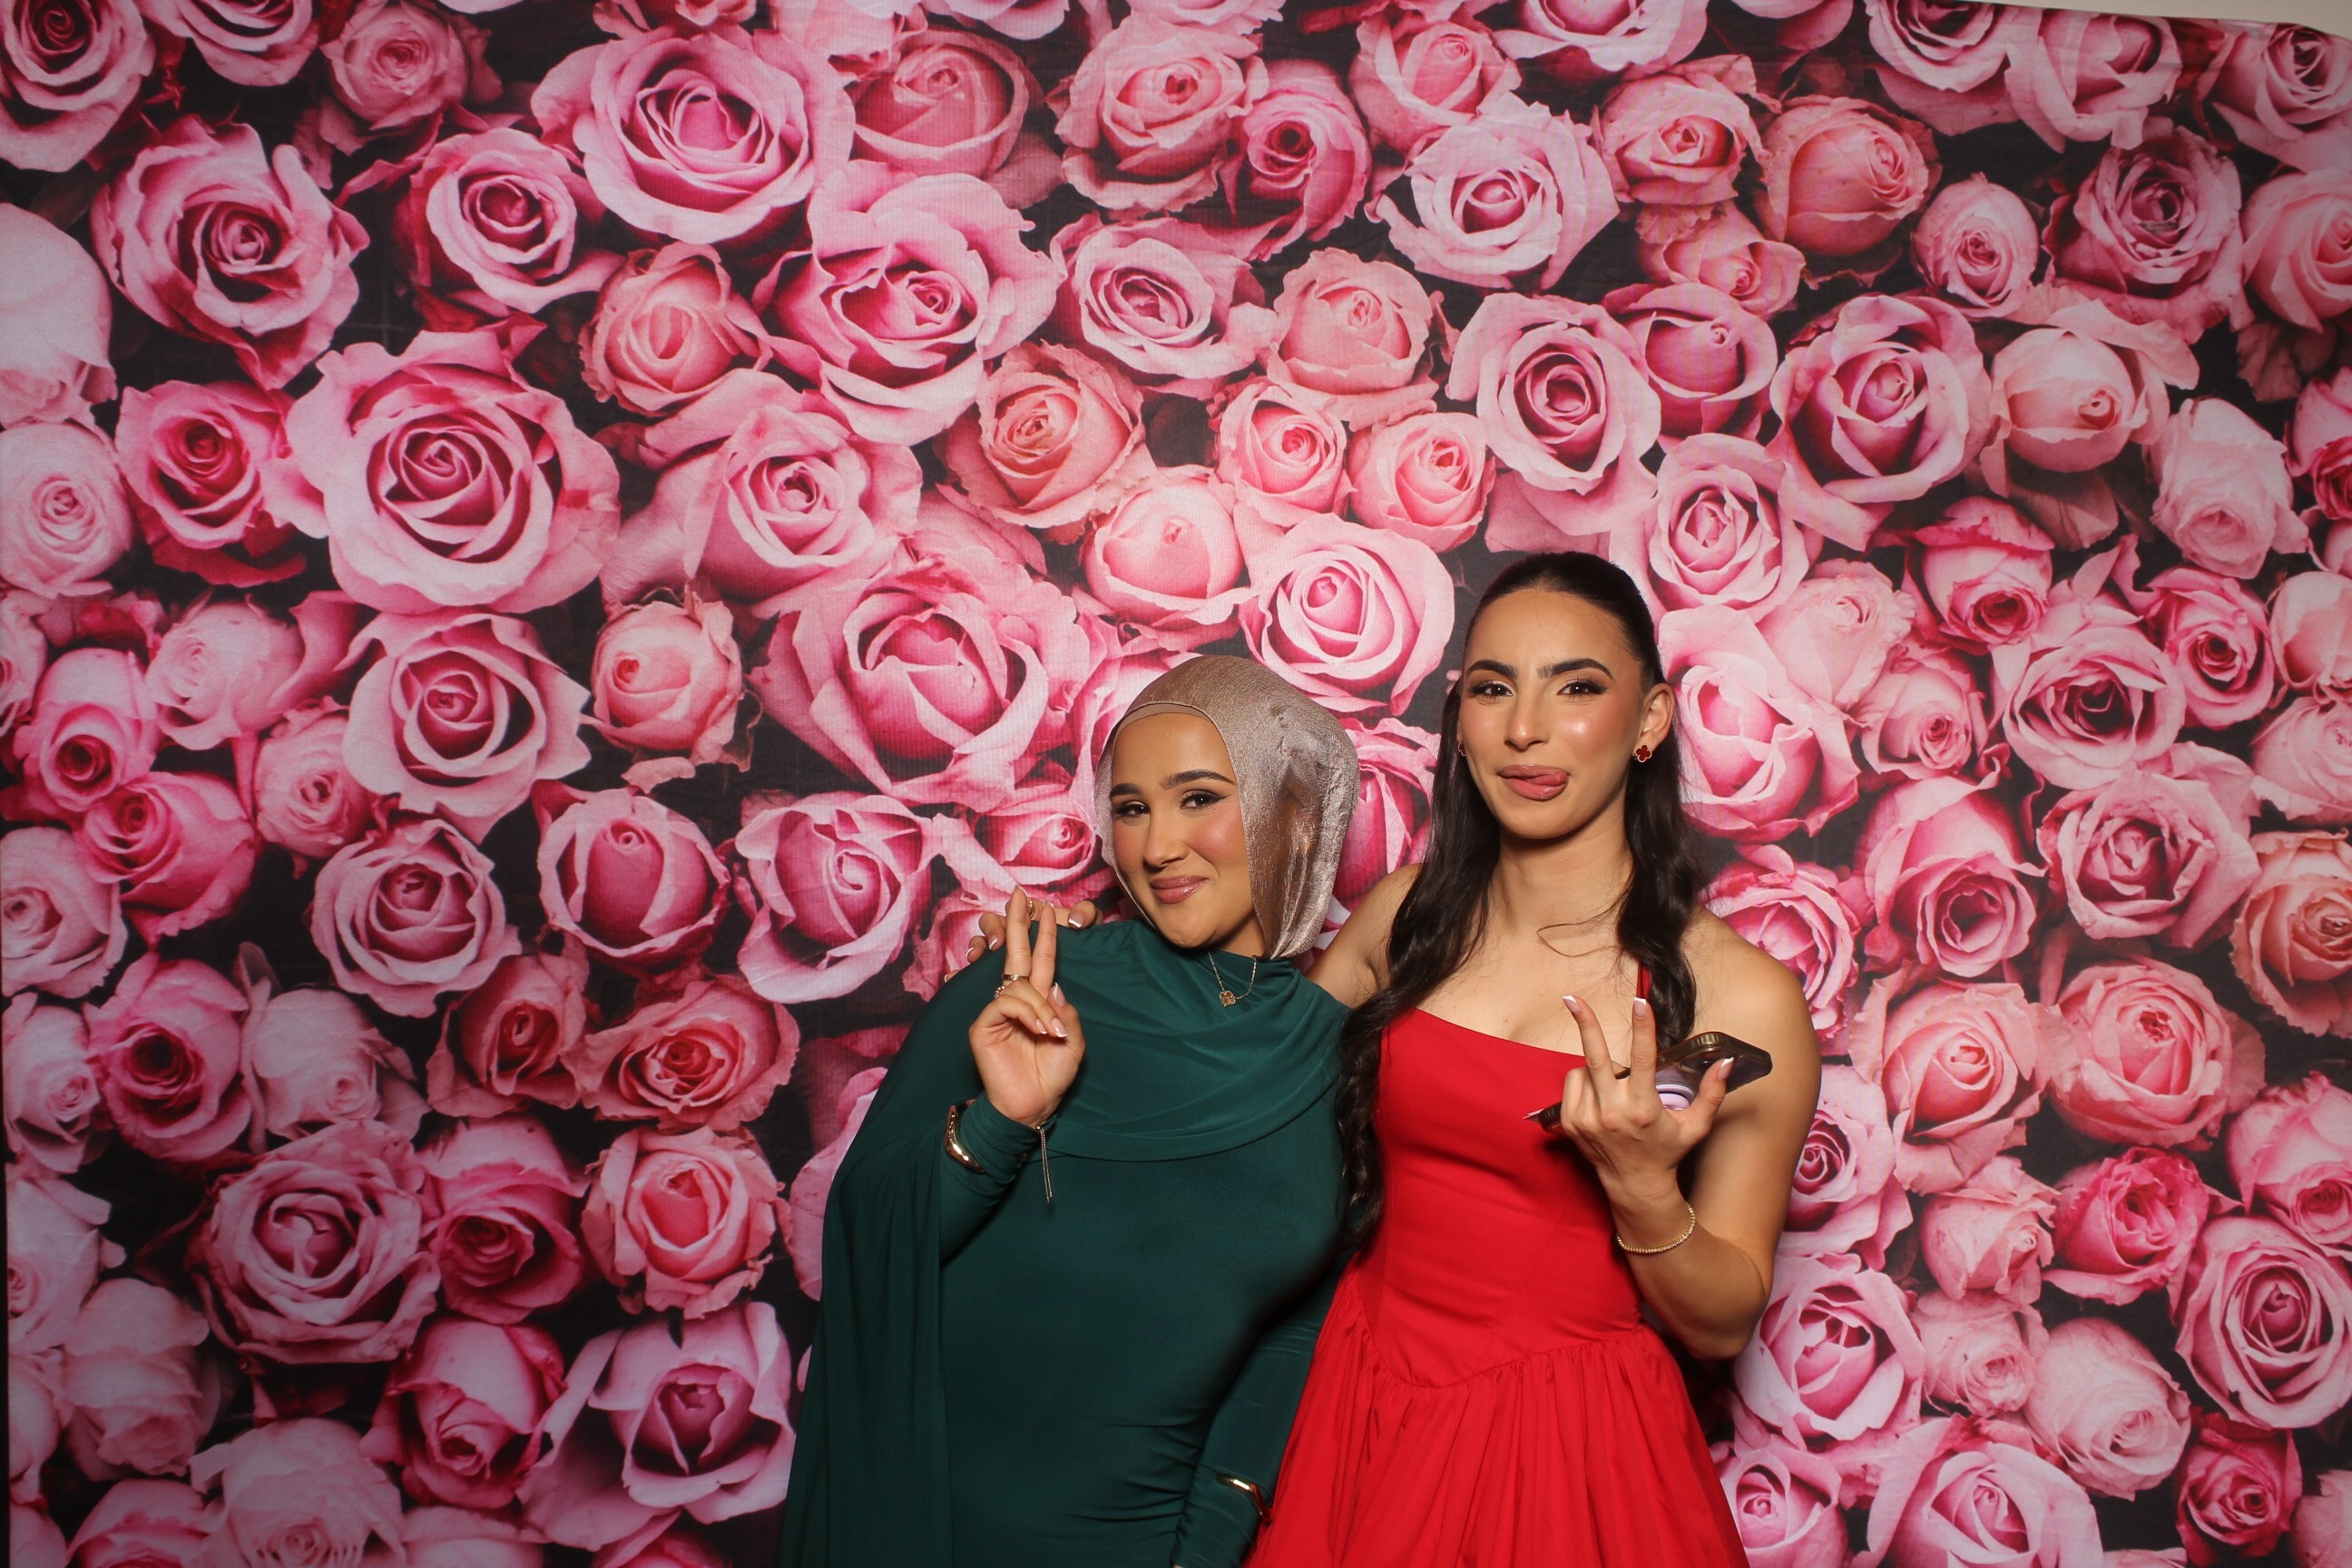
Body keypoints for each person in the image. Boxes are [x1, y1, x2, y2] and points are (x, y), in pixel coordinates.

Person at [1246, 551, 1821, 1566]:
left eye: (1577, 688)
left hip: (1559, 1449)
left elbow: (1724, 1324)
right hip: (1356, 1401)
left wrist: (1642, 1188)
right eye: (1493, 689)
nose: (1525, 729)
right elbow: (1238, 1105)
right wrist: (1095, 968)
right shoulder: (1403, 918)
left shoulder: (1740, 997)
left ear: (1650, 721)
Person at [779, 655, 1361, 1568]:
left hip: (1134, 1542)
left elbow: (1296, 1329)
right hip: (925, 1517)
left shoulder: (1346, 1062)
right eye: (1130, 808)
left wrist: (1212, 1536)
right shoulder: (1036, 978)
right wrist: (1002, 1122)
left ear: (1293, 811)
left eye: (1199, 798)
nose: (1157, 846)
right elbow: (868, 1234)